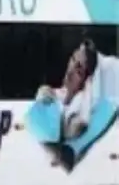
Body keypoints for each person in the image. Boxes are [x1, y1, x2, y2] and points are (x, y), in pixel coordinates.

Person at [34, 37, 119, 169]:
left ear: (86, 80)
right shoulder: (52, 94)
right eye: (73, 60)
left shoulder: (85, 109)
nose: (71, 71)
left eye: (79, 70)